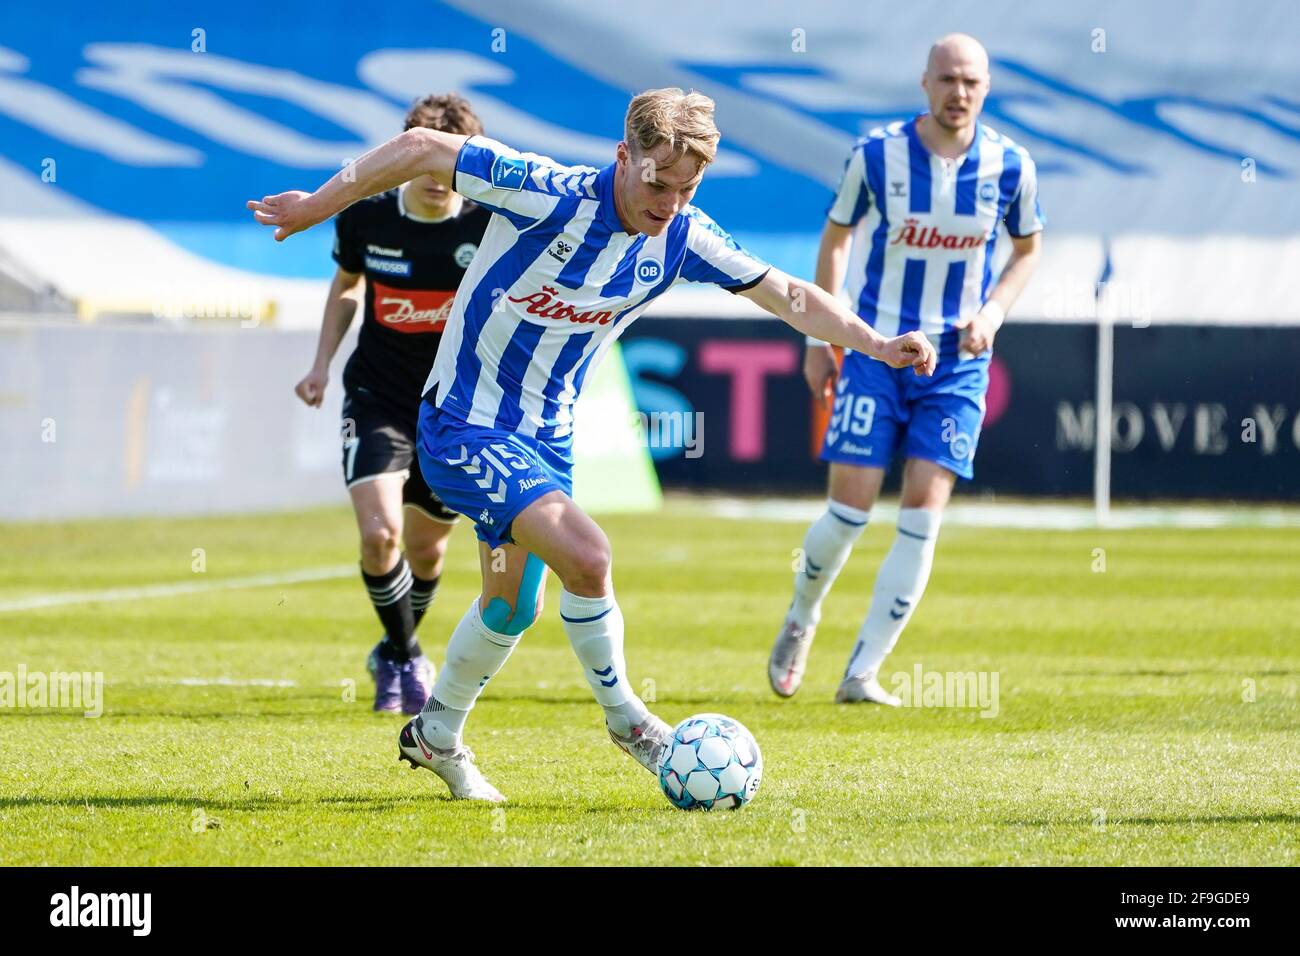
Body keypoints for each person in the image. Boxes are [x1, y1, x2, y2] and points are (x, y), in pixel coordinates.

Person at [250, 87, 936, 802]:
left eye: (686, 187)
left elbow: (789, 294)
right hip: (463, 425)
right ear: (623, 155)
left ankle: (436, 733)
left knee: (512, 607)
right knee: (590, 556)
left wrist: (877, 344)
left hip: (547, 437)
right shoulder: (546, 193)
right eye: (657, 182)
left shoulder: (682, 236)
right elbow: (424, 147)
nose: (668, 201)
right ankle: (628, 722)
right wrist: (316, 207)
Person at [768, 34, 1044, 706]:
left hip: (957, 362)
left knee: (923, 514)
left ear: (986, 87)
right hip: (878, 349)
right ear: (925, 83)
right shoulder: (876, 154)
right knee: (848, 513)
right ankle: (802, 615)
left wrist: (992, 314)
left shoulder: (1012, 166)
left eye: (972, 82)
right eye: (948, 79)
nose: (960, 93)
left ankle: (862, 672)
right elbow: (836, 240)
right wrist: (817, 337)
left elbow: (1028, 250)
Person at [292, 94, 491, 714]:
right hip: (375, 394)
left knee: (429, 550)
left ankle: (393, 648)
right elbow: (348, 285)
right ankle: (405, 658)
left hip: (454, 406)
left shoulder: (489, 226)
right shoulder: (365, 218)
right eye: (422, 162)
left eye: (449, 166)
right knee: (381, 535)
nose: (436, 180)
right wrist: (322, 364)